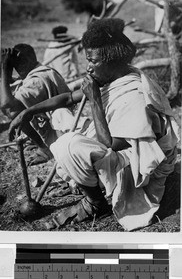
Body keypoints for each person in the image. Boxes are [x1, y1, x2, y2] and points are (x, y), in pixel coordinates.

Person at [9, 18, 179, 231]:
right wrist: (28, 111)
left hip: (135, 167)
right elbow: (68, 98)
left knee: (67, 145)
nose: (88, 67)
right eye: (87, 59)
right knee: (62, 118)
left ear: (112, 62)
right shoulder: (114, 76)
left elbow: (111, 144)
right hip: (118, 145)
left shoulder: (135, 94)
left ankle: (96, 203)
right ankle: (85, 179)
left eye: (93, 61)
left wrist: (95, 99)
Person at [1, 43, 78, 165]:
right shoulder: (40, 70)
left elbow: (6, 105)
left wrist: (6, 69)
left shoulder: (36, 80)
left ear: (29, 60)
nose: (18, 68)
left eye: (19, 64)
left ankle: (44, 148)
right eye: (16, 65)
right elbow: (14, 84)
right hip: (61, 125)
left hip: (58, 133)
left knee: (13, 111)